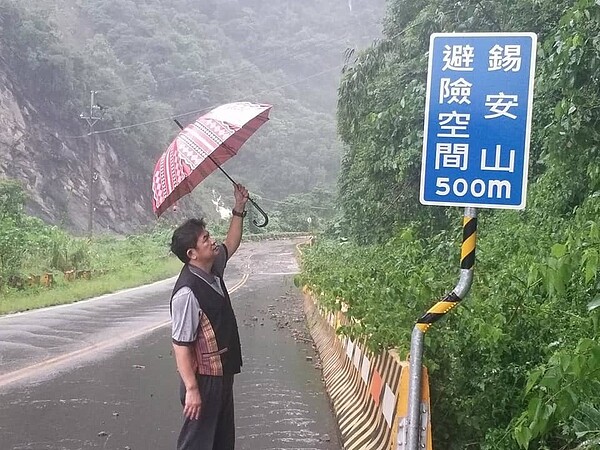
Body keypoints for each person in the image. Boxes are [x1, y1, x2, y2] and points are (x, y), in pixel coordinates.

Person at [169, 184, 249, 450]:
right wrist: (192, 389)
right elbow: (180, 345)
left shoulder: (213, 268)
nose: (212, 240)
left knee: (222, 440)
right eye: (205, 239)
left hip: (223, 373)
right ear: (192, 254)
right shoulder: (187, 292)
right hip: (204, 380)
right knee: (198, 442)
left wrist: (238, 208)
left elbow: (231, 244)